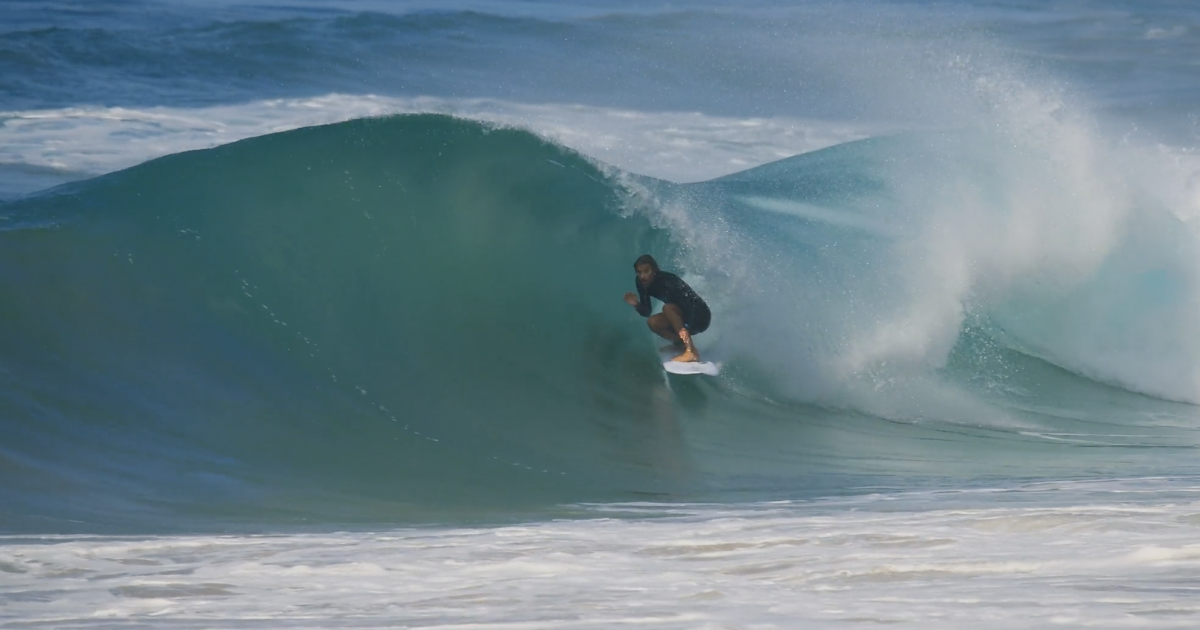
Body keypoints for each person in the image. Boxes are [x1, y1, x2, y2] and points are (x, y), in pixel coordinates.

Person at [623, 254, 711, 363]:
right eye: (639, 272)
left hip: (700, 316)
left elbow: (691, 304)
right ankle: (679, 344)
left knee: (667, 308)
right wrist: (636, 304)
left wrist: (685, 327)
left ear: (654, 270)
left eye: (646, 271)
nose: (642, 276)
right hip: (682, 315)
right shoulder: (642, 284)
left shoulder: (669, 281)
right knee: (653, 322)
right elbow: (647, 312)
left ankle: (691, 351)